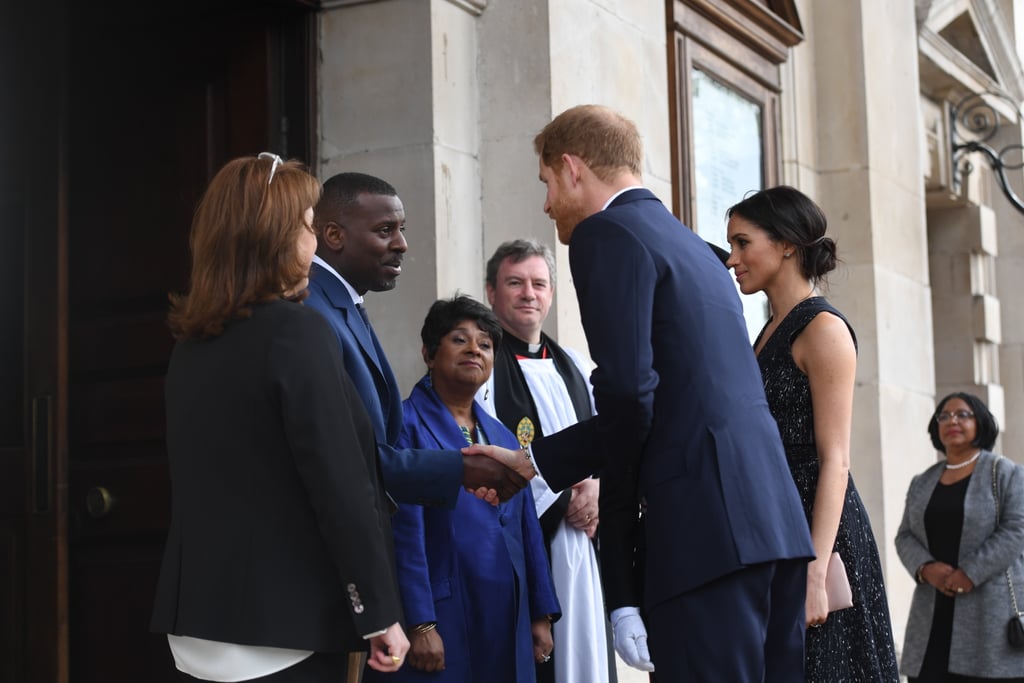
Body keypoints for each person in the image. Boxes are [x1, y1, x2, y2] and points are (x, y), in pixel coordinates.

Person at [468, 104, 815, 681]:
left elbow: (631, 398)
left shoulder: (607, 234)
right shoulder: (697, 250)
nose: (548, 203)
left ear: (572, 168)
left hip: (702, 536)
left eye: (547, 183)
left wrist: (539, 467)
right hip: (770, 527)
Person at [150, 153, 409, 682]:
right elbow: (340, 485)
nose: (312, 245)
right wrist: (378, 612)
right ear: (277, 238)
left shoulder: (189, 348)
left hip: (196, 624)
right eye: (309, 228)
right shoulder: (297, 332)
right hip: (285, 627)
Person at [724, 185, 899, 681]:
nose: (733, 259)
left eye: (742, 243)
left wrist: (816, 571)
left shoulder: (822, 329)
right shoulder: (768, 329)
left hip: (818, 535)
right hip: (776, 526)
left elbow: (835, 459)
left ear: (786, 245)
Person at [364, 294, 560, 683]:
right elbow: (404, 532)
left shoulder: (503, 434)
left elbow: (527, 529)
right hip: (445, 611)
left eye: (485, 344)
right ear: (428, 353)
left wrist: (540, 612)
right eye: (459, 339)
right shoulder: (404, 425)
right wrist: (420, 622)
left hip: (507, 612)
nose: (474, 349)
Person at [305, 172, 528, 509]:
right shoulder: (313, 312)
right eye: (385, 231)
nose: (402, 244)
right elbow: (341, 456)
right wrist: (459, 467)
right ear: (334, 235)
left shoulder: (342, 306)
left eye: (401, 230)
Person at [476, 239, 614, 683]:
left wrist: (596, 486)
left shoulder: (573, 363)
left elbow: (611, 436)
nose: (528, 293)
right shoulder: (483, 368)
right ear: (491, 292)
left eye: (538, 283)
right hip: (532, 540)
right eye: (514, 283)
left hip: (585, 542)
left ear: (552, 294)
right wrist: (562, 498)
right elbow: (484, 452)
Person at [895, 392, 1024, 682]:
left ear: (980, 422)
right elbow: (904, 536)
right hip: (932, 613)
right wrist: (927, 569)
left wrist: (969, 572)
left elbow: (1017, 529)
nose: (952, 420)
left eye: (963, 414)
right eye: (944, 415)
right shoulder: (923, 481)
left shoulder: (1005, 473)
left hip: (988, 613)